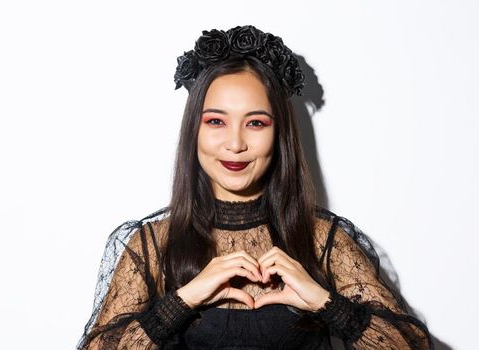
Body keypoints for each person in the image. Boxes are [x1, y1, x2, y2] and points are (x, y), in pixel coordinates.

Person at [76, 25, 433, 349]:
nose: (235, 144)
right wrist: (181, 302)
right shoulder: (153, 245)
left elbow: (410, 346)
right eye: (216, 121)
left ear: (279, 135)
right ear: (193, 132)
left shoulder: (322, 239)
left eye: (256, 123)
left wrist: (326, 302)